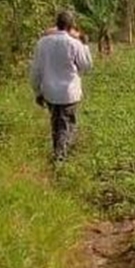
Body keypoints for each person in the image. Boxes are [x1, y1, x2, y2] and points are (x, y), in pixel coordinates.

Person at [29, 10, 94, 162]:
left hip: (50, 92)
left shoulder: (43, 43)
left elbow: (36, 70)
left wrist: (37, 91)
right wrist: (84, 45)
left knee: (56, 124)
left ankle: (58, 154)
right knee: (67, 126)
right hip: (68, 93)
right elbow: (87, 65)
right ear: (71, 26)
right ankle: (60, 158)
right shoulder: (74, 44)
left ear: (56, 24)